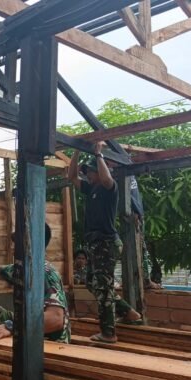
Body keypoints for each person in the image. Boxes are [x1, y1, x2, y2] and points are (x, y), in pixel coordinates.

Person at [68, 143, 141, 343]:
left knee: (103, 287)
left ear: (99, 171)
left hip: (106, 243)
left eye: (90, 172)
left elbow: (107, 178)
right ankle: (129, 312)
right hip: (97, 244)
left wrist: (98, 154)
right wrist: (76, 150)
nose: (88, 175)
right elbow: (72, 177)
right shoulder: (90, 188)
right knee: (92, 283)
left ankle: (108, 333)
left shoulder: (110, 188)